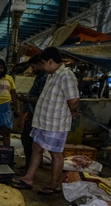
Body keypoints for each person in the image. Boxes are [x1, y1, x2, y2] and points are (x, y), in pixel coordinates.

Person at [11, 47, 80, 195]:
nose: (41, 66)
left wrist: (72, 112)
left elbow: (73, 100)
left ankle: (54, 184)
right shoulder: (51, 75)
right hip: (43, 122)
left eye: (43, 63)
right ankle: (28, 178)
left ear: (50, 61)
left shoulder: (66, 75)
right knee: (36, 147)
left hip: (56, 124)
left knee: (56, 153)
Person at [17, 54, 47, 175]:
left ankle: (29, 169)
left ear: (40, 64)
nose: (33, 70)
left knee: (28, 140)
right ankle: (29, 166)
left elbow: (40, 98)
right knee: (29, 141)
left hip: (36, 115)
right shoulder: (39, 77)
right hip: (32, 113)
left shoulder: (44, 78)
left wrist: (25, 99)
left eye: (34, 67)